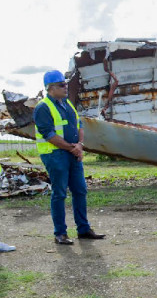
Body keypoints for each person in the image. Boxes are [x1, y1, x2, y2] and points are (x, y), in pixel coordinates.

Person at [33, 70, 105, 245]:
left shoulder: (67, 104)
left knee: (80, 190)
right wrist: (72, 148)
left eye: (65, 84)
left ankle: (83, 229)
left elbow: (78, 124)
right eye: (62, 85)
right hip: (55, 155)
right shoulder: (43, 108)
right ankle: (60, 233)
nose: (66, 87)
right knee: (59, 193)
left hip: (72, 153)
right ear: (51, 88)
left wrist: (80, 144)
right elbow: (49, 135)